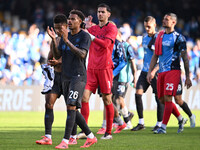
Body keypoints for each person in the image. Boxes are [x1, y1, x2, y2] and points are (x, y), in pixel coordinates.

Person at [47, 10, 97, 149]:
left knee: (71, 107)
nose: (69, 21)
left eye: (73, 19)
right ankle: (91, 137)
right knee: (73, 109)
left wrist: (67, 41)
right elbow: (58, 54)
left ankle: (65, 141)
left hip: (78, 77)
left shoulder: (84, 36)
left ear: (80, 21)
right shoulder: (64, 35)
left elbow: (82, 54)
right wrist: (54, 40)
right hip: (65, 77)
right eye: (69, 18)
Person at [147, 13, 192, 134]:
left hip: (173, 71)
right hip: (161, 71)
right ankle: (181, 118)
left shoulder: (179, 38)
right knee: (161, 99)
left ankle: (163, 127)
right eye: (164, 19)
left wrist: (187, 76)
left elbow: (185, 58)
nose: (164, 21)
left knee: (168, 98)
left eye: (167, 20)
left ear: (173, 22)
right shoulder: (160, 36)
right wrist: (150, 71)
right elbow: (155, 55)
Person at [80, 3, 118, 139]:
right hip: (91, 68)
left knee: (107, 99)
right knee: (84, 97)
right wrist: (84, 25)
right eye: (98, 12)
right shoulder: (94, 28)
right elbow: (82, 32)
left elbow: (106, 44)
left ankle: (108, 132)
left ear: (109, 14)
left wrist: (90, 35)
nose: (100, 14)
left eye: (103, 12)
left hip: (105, 68)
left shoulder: (112, 28)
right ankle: (84, 131)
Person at [35, 14, 65, 145]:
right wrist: (49, 64)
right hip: (56, 77)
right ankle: (48, 136)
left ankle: (73, 136)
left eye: (60, 28)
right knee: (48, 103)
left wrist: (58, 61)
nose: (57, 30)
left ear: (66, 26)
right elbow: (51, 54)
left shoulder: (72, 39)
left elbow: (72, 58)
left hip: (69, 77)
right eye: (55, 28)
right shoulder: (55, 39)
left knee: (72, 108)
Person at [131, 16, 164, 132]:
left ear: (154, 25)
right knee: (138, 94)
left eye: (149, 26)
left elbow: (162, 57)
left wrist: (154, 71)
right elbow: (146, 55)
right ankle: (141, 123)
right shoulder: (144, 39)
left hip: (156, 72)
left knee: (158, 98)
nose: (147, 28)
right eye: (145, 26)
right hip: (145, 71)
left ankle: (159, 124)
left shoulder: (160, 38)